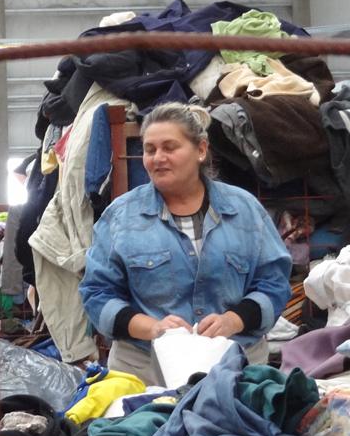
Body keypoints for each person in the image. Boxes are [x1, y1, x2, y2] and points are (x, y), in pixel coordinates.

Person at [79, 102, 291, 385]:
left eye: (170, 147)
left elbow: (274, 284)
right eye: (150, 149)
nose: (158, 158)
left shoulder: (245, 211)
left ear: (201, 150)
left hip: (236, 366)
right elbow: (97, 293)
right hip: (144, 371)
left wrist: (233, 320)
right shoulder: (121, 217)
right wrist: (152, 328)